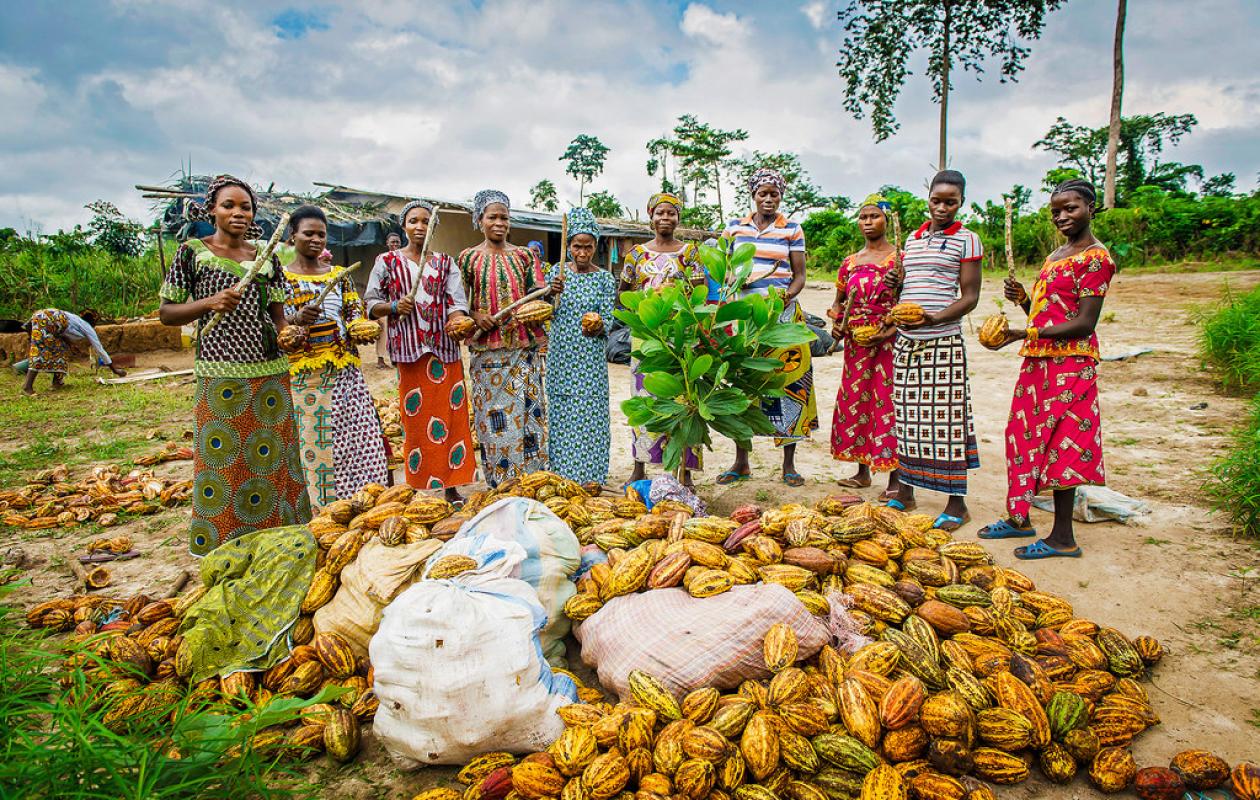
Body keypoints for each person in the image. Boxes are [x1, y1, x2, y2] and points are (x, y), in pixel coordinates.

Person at [157, 174, 311, 556]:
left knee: (273, 459)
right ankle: (224, 544)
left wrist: (292, 331)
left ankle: (276, 540)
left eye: (246, 207)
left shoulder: (266, 256)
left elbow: (277, 319)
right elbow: (167, 313)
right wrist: (208, 303)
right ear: (212, 210)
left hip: (270, 373)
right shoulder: (193, 252)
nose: (238, 213)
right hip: (220, 373)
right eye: (229, 205)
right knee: (223, 462)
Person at [978, 179, 1116, 559]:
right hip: (1038, 362)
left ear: (1091, 207)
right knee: (1021, 436)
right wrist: (1025, 301)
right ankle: (1019, 516)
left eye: (1071, 208)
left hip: (1071, 365)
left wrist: (1024, 333)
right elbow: (1048, 313)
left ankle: (1062, 538)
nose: (1062, 216)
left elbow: (1084, 323)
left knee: (1062, 445)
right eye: (1056, 211)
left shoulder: (1096, 258)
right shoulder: (1056, 256)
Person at [887, 170, 982, 531]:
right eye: (936, 201)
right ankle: (905, 492)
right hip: (907, 340)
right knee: (907, 419)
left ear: (961, 203)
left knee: (947, 423)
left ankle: (957, 505)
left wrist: (934, 319)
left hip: (943, 341)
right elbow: (908, 290)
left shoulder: (967, 240)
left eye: (950, 202)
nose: (942, 208)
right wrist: (896, 285)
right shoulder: (912, 240)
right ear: (927, 199)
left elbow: (970, 297)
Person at [365, 200, 477, 502]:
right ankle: (419, 485)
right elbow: (371, 303)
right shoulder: (387, 261)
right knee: (416, 420)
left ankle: (452, 485)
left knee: (451, 417)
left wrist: (457, 320)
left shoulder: (445, 263)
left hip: (444, 350)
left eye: (426, 221)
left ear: (433, 227)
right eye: (413, 221)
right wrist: (392, 306)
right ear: (404, 226)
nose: (419, 226)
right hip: (410, 352)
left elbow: (456, 302)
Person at [282, 205, 389, 507]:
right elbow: (276, 323)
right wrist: (296, 319)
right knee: (319, 445)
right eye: (308, 233)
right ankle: (327, 510)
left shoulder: (340, 276)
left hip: (346, 374)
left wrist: (361, 329)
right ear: (293, 236)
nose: (316, 240)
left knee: (359, 439)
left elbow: (353, 313)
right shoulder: (281, 278)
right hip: (307, 378)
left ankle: (366, 503)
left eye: (321, 234)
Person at [718, 168, 818, 487]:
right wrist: (733, 281)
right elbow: (721, 268)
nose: (768, 199)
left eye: (774, 194)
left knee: (789, 383)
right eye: (763, 193)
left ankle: (789, 465)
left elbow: (800, 276)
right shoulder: (735, 227)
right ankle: (741, 461)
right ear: (753, 195)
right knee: (741, 386)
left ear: (781, 196)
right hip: (744, 318)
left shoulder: (792, 229)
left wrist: (785, 297)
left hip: (782, 318)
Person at [459, 190, 562, 488]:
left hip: (523, 352)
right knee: (495, 421)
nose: (499, 223)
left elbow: (539, 299)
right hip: (488, 355)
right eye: (492, 217)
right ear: (479, 220)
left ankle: (532, 482)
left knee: (529, 417)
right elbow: (458, 303)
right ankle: (502, 485)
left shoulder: (525, 256)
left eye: (504, 217)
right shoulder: (468, 258)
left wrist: (551, 292)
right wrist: (476, 315)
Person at [619, 192, 704, 486]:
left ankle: (684, 470)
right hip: (646, 336)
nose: (665, 218)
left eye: (671, 213)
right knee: (644, 399)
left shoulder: (690, 253)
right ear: (651, 216)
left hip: (681, 335)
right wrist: (643, 309)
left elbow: (699, 293)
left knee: (682, 399)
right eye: (660, 213)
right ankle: (639, 465)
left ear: (678, 217)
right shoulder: (636, 255)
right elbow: (624, 293)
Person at [828, 194, 901, 494]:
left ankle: (896, 480)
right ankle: (862, 472)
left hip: (888, 341)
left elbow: (907, 302)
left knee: (887, 403)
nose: (868, 222)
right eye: (863, 217)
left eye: (874, 216)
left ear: (886, 220)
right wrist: (837, 323)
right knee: (857, 402)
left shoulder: (899, 259)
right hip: (856, 343)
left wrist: (888, 330)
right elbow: (839, 301)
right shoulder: (850, 262)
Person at [545, 208, 616, 484]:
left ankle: (591, 477)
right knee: (563, 412)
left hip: (590, 358)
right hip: (562, 356)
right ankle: (563, 474)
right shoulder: (557, 273)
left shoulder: (605, 279)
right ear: (569, 246)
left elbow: (608, 319)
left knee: (591, 413)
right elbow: (547, 310)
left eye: (588, 246)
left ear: (596, 246)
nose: (583, 252)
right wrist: (550, 292)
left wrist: (597, 326)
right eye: (577, 246)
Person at [21, 309, 126, 394]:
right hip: (47, 321)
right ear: (93, 322)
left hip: (40, 316)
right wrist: (115, 370)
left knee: (61, 350)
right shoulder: (87, 327)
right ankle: (27, 387)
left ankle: (57, 382)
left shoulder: (74, 318)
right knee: (40, 353)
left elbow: (61, 332)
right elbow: (100, 349)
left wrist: (71, 345)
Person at [376, 231, 403, 369]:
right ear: (387, 243)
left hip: (400, 300)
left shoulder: (403, 257)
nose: (395, 244)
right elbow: (378, 280)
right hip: (385, 300)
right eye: (392, 242)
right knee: (383, 329)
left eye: (397, 242)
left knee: (399, 329)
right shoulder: (382, 258)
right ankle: (380, 359)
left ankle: (395, 357)